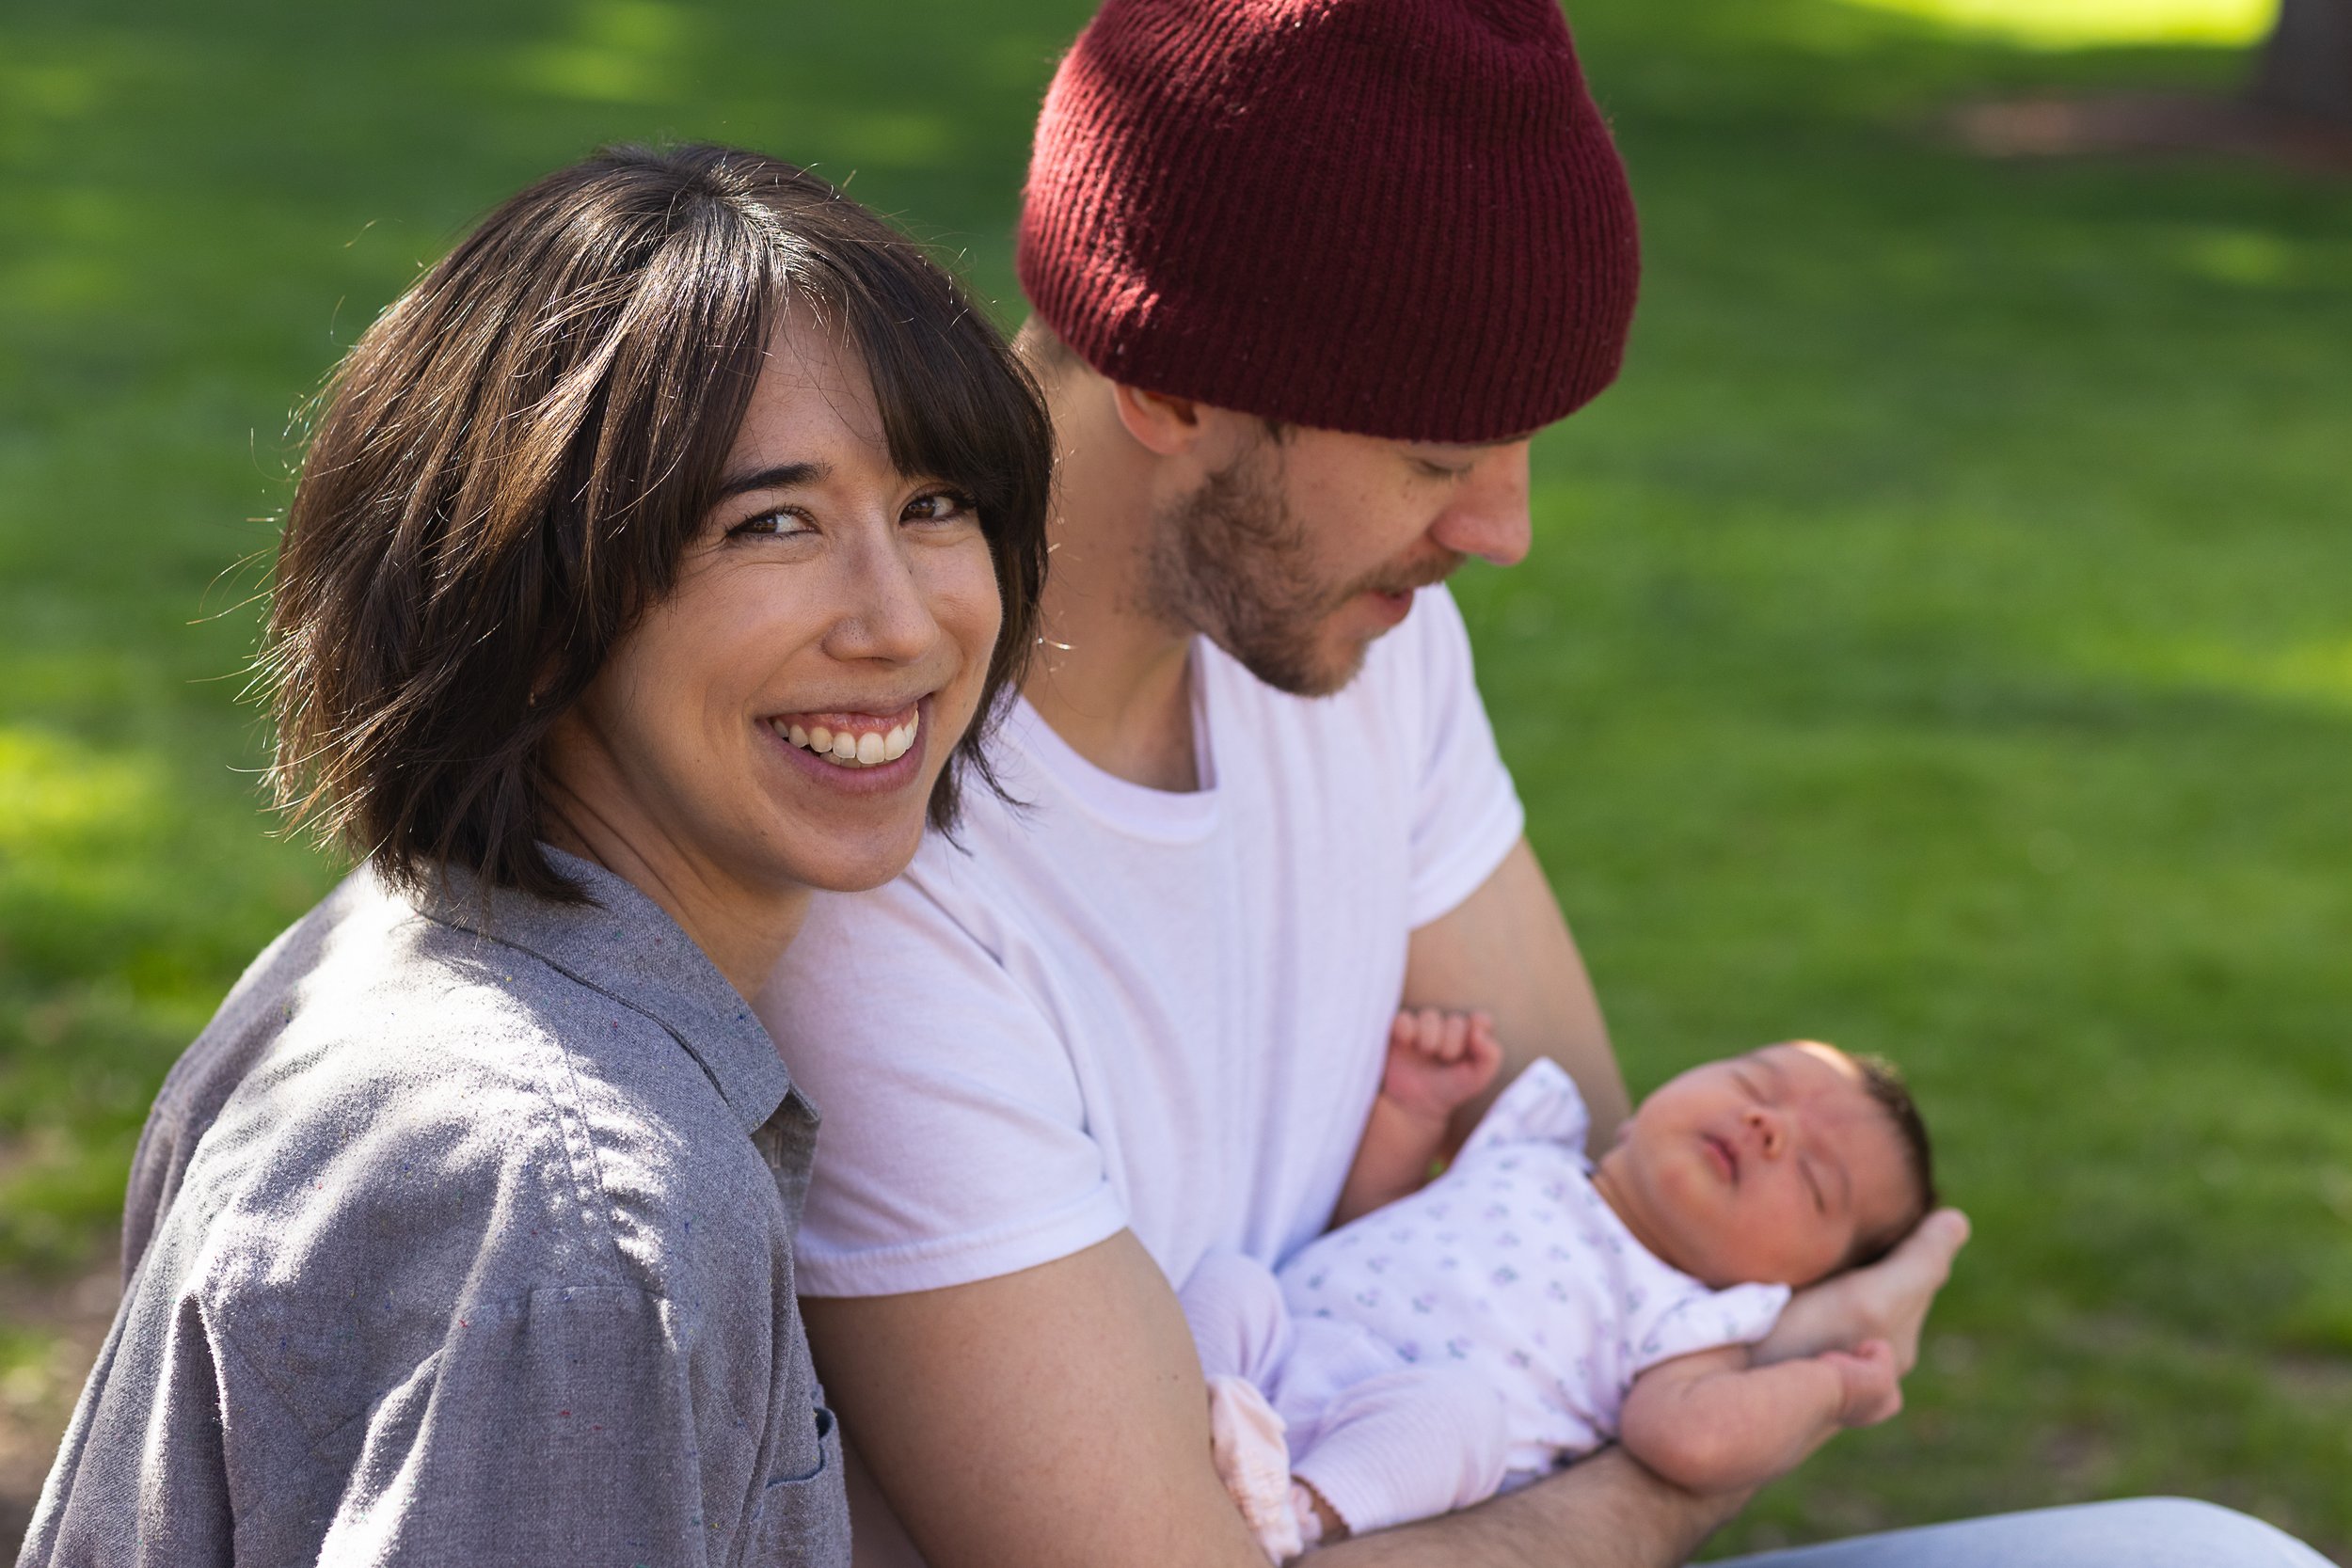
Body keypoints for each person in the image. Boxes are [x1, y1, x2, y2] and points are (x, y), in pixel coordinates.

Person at [761, 4, 2333, 1565]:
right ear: (1168, 386)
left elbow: (1600, 1181)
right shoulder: (875, 859)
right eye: (1440, 459)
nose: (1502, 532)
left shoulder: (1364, 646)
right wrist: (1701, 1450)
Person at [18, 143, 1052, 1565]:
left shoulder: (374, 951)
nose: (902, 621)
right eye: (773, 523)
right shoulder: (587, 1230)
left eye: (936, 505)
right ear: (537, 600)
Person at [1184, 1022, 1935, 1560]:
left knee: (1456, 1413)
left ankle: (1280, 1516)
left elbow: (1690, 1439)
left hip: (1381, 1447)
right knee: (1231, 1281)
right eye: (1753, 1083)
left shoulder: (1691, 1316)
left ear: (1793, 1283)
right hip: (1277, 1349)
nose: (1768, 1124)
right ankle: (1174, 1426)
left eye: (1813, 1177)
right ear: (1639, 1115)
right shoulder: (1530, 1147)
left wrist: (1832, 1387)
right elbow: (1371, 1223)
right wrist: (1410, 1112)